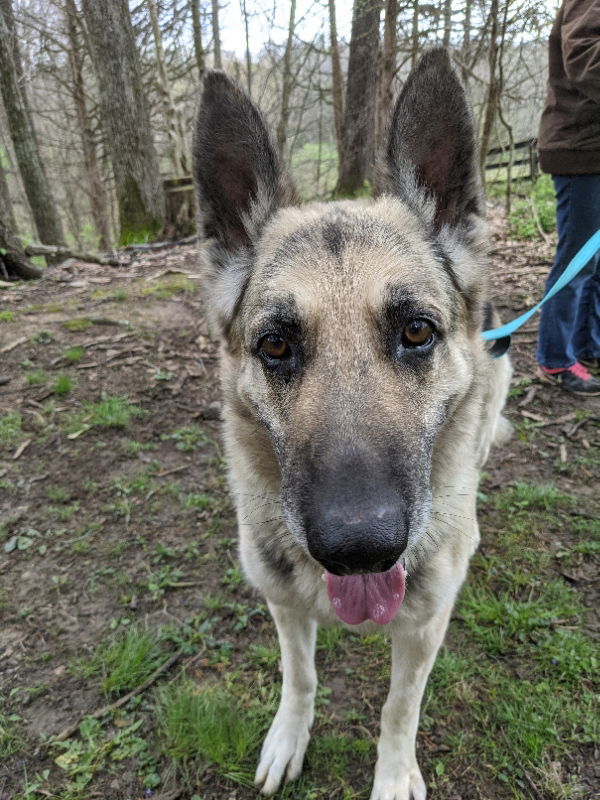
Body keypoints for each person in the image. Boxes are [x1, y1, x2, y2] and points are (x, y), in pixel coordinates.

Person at [536, 0, 600, 395]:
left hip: (592, 149)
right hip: (580, 151)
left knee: (594, 260)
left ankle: (587, 345)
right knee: (577, 260)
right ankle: (556, 359)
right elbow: (583, 58)